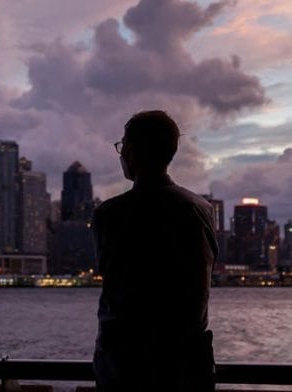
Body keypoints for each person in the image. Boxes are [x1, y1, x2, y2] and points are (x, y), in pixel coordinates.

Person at [92, 110, 218, 391]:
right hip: (188, 367)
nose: (121, 153)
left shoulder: (109, 214)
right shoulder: (203, 211)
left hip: (126, 367)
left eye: (122, 145)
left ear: (132, 151)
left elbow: (112, 279)